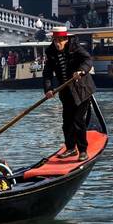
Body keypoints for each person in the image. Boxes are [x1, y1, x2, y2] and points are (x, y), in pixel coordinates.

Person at [43, 26, 96, 162]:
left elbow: (88, 60)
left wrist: (81, 71)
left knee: (78, 121)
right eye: (55, 40)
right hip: (65, 91)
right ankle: (71, 148)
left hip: (82, 89)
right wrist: (48, 89)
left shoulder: (75, 47)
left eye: (59, 40)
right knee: (67, 122)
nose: (57, 43)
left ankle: (83, 150)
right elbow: (47, 73)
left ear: (65, 39)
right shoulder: (50, 52)